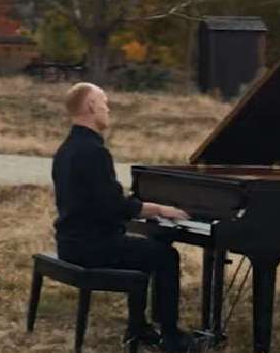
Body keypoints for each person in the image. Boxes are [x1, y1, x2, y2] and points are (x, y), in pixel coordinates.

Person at [52, 82, 200, 352]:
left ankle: (138, 327)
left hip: (71, 241)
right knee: (166, 256)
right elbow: (114, 206)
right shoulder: (94, 152)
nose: (108, 109)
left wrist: (134, 207)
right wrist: (160, 210)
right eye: (104, 103)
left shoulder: (67, 149)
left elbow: (100, 202)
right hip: (90, 247)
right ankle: (171, 337)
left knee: (143, 251)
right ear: (91, 106)